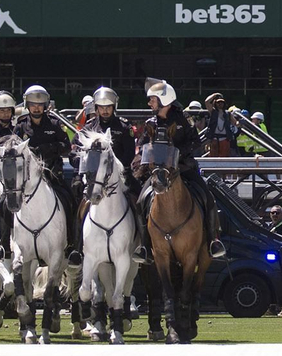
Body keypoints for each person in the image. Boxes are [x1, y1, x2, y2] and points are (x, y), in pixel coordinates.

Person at [135, 79, 228, 260]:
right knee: (140, 203)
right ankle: (145, 247)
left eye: (152, 100)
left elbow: (195, 142)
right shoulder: (150, 122)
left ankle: (212, 242)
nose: (150, 104)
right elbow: (143, 144)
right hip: (158, 172)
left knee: (208, 199)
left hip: (184, 168)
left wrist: (177, 154)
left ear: (164, 100)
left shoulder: (183, 120)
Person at [0, 84, 81, 261]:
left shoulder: (56, 124)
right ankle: (3, 246)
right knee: (5, 202)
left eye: (40, 104)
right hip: (26, 178)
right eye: (33, 104)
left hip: (52, 175)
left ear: (45, 106)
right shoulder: (20, 125)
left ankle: (72, 245)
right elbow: (13, 147)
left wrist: (46, 148)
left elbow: (66, 146)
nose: (36, 107)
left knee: (70, 199)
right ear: (27, 105)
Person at [85, 86, 138, 197]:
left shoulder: (124, 127)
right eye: (101, 107)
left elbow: (129, 153)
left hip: (121, 174)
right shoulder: (89, 127)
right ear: (96, 108)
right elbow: (77, 151)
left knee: (139, 195)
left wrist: (116, 168)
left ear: (114, 107)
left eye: (108, 107)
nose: (105, 111)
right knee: (76, 194)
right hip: (93, 176)